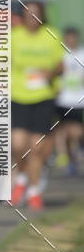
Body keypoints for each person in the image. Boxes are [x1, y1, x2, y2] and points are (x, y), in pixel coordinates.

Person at [11, 1, 63, 210]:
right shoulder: (14, 36)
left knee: (36, 148)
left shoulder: (51, 34)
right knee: (18, 145)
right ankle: (21, 178)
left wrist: (51, 73)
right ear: (22, 16)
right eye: (28, 13)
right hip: (18, 96)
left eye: (36, 13)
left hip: (43, 97)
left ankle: (33, 192)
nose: (32, 17)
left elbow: (60, 64)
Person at [54, 27, 84, 176]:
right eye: (67, 38)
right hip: (62, 99)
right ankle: (65, 158)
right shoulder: (60, 54)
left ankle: (74, 156)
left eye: (73, 37)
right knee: (62, 130)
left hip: (78, 100)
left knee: (76, 132)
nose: (70, 40)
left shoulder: (82, 54)